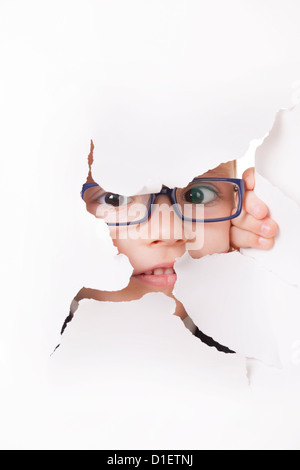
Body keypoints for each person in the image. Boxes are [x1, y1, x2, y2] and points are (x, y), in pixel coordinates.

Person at [61, 142, 279, 352]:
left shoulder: (261, 342)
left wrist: (278, 257)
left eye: (198, 195)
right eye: (115, 199)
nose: (170, 232)